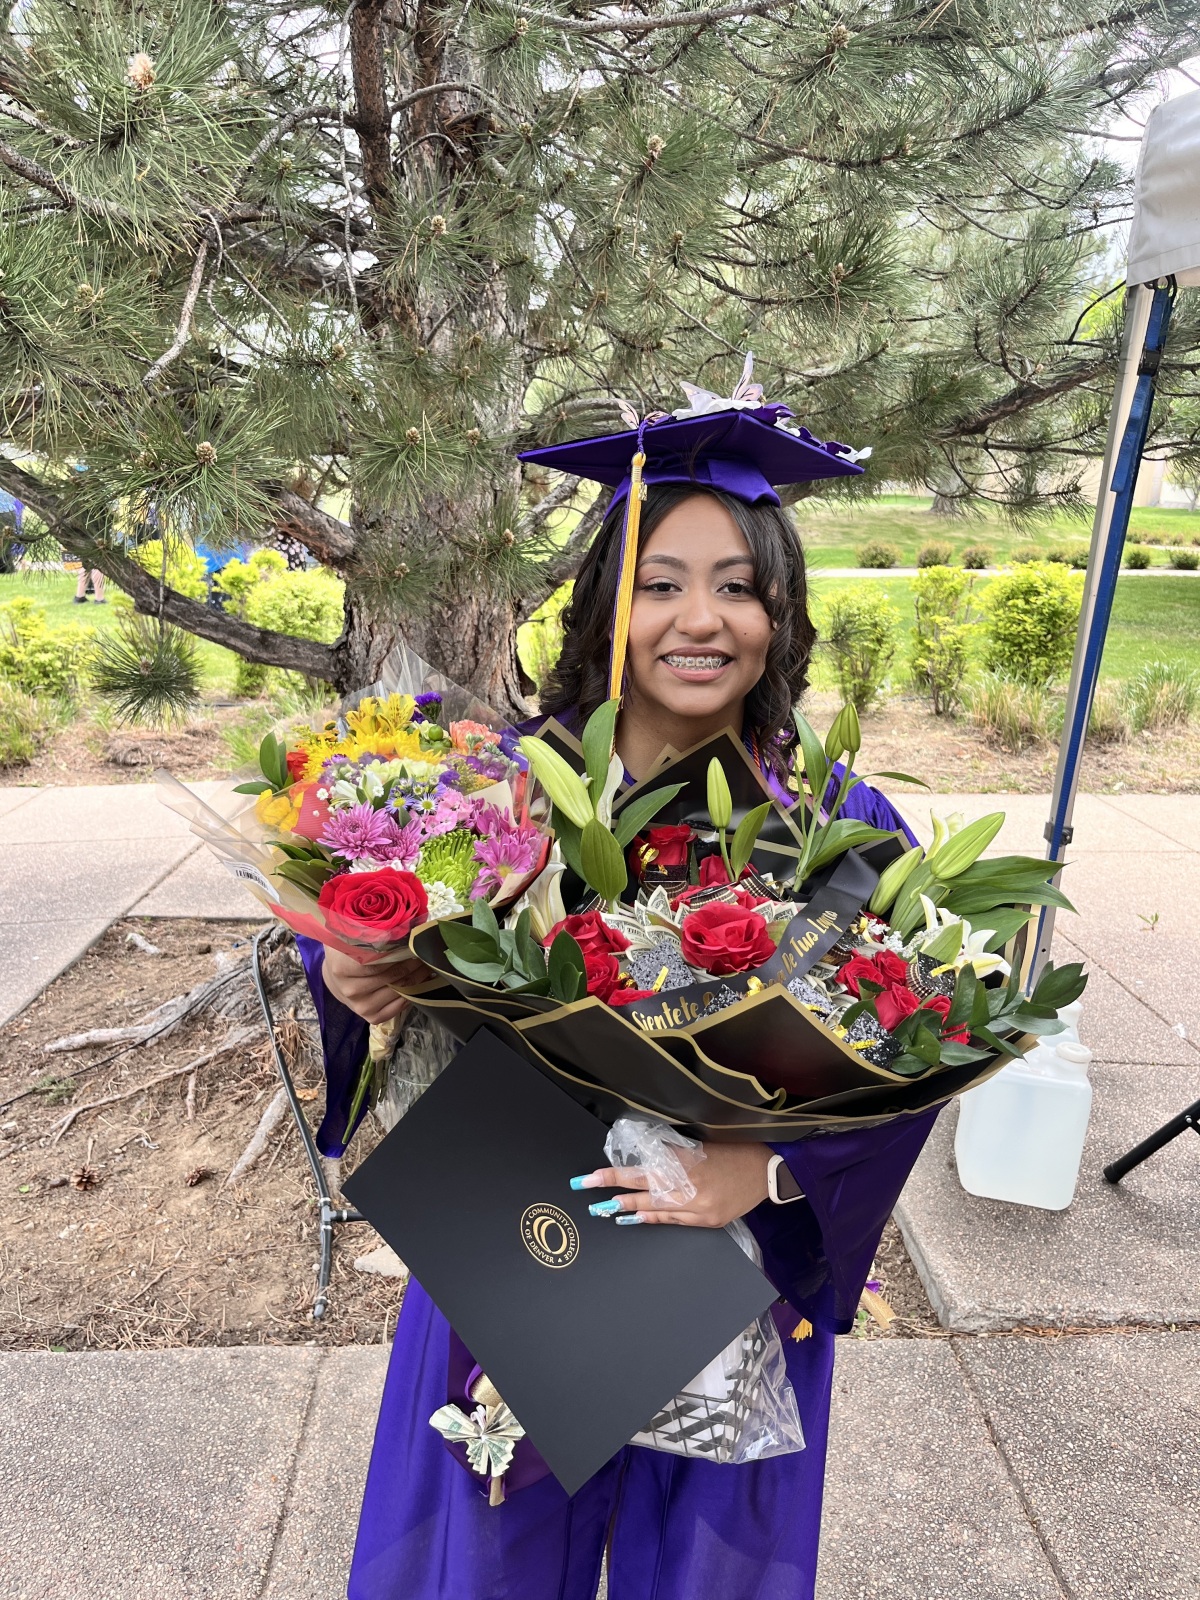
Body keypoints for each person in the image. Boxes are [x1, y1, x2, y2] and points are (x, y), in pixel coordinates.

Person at [309, 379, 938, 1600]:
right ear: (607, 605)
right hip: (513, 1253)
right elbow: (363, 968)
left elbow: (922, 1043)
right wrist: (351, 973)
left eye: (737, 586)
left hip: (726, 1278)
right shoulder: (499, 795)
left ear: (779, 614)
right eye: (661, 584)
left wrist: (766, 1170)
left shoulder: (836, 825)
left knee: (701, 1573)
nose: (700, 619)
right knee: (486, 1556)